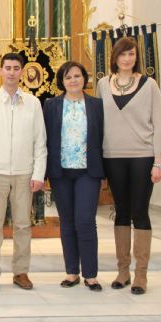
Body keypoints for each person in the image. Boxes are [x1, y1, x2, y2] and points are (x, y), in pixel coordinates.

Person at [96, 36, 161, 295]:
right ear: (115, 57)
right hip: (112, 157)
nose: (127, 58)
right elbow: (98, 124)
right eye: (123, 54)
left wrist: (158, 161)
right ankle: (123, 270)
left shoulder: (149, 85)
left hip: (142, 156)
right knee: (121, 212)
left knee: (140, 212)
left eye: (131, 54)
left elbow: (158, 124)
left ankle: (141, 275)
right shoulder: (103, 84)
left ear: (137, 57)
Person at [0, 52, 47, 291]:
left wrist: (38, 173)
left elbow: (40, 141)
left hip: (25, 173)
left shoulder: (33, 103)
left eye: (16, 68)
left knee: (23, 225)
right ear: (1, 71)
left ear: (22, 72)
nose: (12, 72)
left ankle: (21, 272)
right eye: (8, 68)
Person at [43, 61, 104, 291]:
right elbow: (46, 137)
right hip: (61, 172)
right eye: (68, 77)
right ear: (62, 81)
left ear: (84, 78)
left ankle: (90, 274)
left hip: (88, 171)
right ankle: (71, 272)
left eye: (77, 76)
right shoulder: (51, 105)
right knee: (67, 222)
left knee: (85, 220)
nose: (73, 81)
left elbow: (102, 137)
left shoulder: (96, 105)